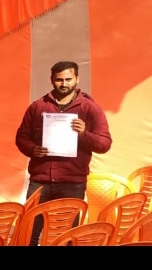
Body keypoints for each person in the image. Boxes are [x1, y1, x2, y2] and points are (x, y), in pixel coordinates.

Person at [15, 61, 111, 245]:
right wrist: (32, 149)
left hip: (72, 183)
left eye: (68, 79)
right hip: (40, 181)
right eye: (59, 80)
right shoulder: (38, 107)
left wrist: (83, 134)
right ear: (52, 80)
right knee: (29, 232)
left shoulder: (90, 108)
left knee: (67, 235)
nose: (64, 84)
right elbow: (21, 137)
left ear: (77, 78)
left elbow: (104, 144)